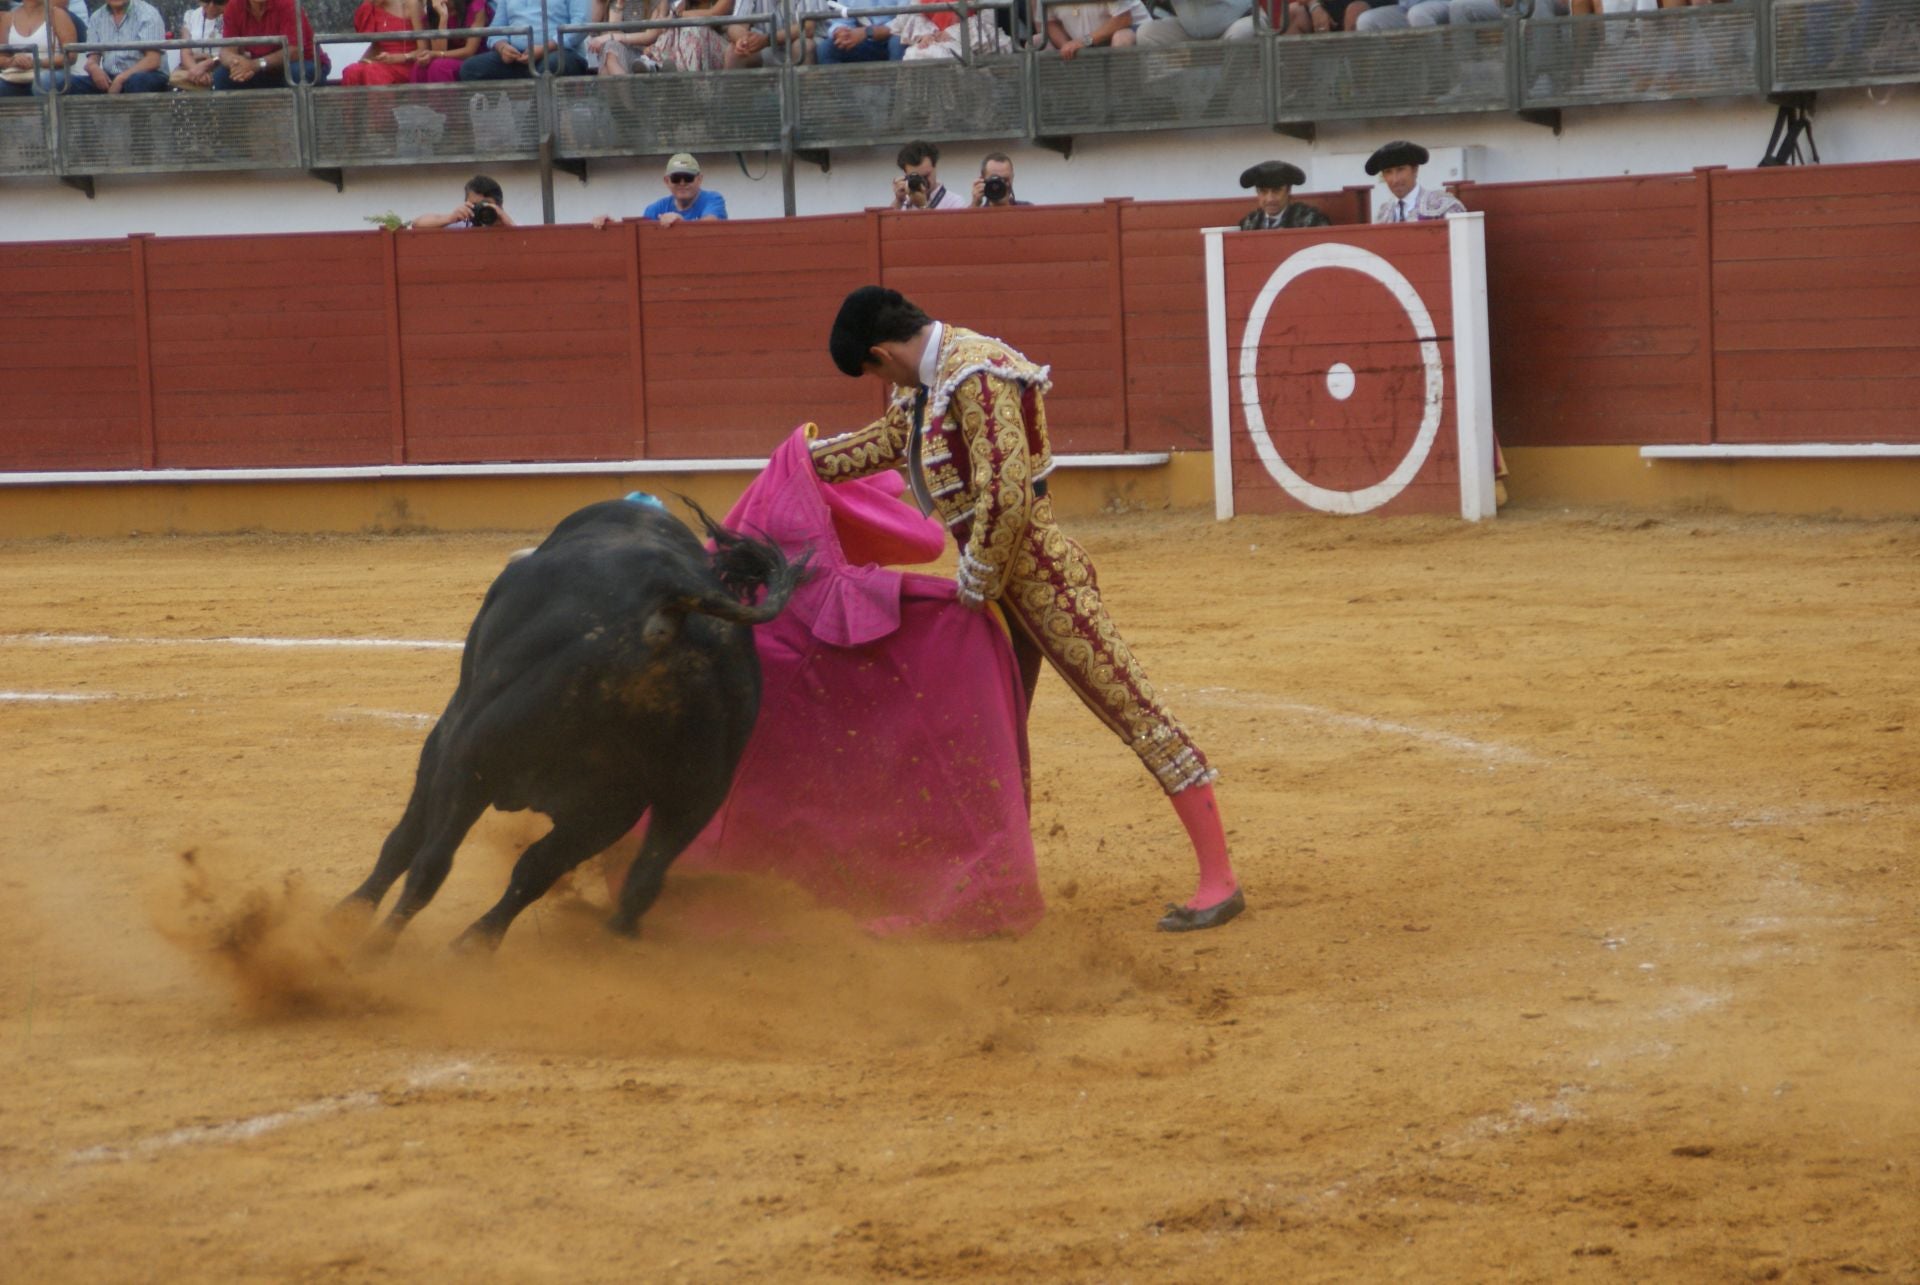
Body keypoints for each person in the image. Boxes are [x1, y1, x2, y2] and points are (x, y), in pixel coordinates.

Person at [809, 286, 1248, 932]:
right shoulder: (930, 384)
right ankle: (992, 883)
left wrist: (980, 573)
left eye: (874, 373)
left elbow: (1008, 492)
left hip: (1041, 581)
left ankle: (1220, 879)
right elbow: (884, 444)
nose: (883, 384)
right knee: (984, 734)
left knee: (1132, 707)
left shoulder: (975, 372)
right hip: (993, 591)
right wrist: (801, 464)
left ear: (880, 354)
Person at [459, 0, 592, 78]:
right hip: (518, 57)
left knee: (549, 66)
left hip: (560, 53)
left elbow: (581, 25)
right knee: (470, 69)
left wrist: (545, 48)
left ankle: (534, 117)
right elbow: (496, 28)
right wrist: (502, 47)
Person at [214, 0, 328, 86]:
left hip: (302, 63)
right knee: (221, 76)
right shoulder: (233, 6)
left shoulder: (287, 3)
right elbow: (226, 50)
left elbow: (295, 51)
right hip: (258, 69)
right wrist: (237, 63)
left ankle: (303, 112)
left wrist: (255, 64)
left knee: (298, 72)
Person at [66, 0, 168, 94]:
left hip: (148, 75)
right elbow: (92, 59)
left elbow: (153, 61)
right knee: (66, 84)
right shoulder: (96, 17)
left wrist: (121, 79)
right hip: (110, 78)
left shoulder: (148, 14)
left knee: (137, 81)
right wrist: (93, 68)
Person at [1366, 139, 1466, 222]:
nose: (1395, 179)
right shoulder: (1383, 213)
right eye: (1388, 172)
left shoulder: (1443, 204)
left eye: (1400, 169)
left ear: (1415, 170)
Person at [0, 0, 80, 96]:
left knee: (43, 81)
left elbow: (71, 56)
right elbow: (2, 56)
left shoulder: (57, 15)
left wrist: (37, 62)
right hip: (17, 73)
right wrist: (12, 61)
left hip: (52, 71)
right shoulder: (8, 18)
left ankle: (48, 106)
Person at [341, 0, 422, 86]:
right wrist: (363, 61)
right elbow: (376, 46)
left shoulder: (411, 4)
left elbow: (423, 50)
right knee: (352, 71)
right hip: (383, 64)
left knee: (373, 71)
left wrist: (401, 57)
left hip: (407, 64)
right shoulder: (374, 7)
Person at [1235, 159, 1330, 230]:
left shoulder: (1311, 221)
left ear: (1288, 191)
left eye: (1276, 191)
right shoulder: (1248, 224)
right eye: (1263, 191)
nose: (1270, 199)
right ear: (1257, 193)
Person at [412, 0, 489, 82]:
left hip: (475, 59)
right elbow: (439, 50)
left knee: (439, 66)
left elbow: (469, 51)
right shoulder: (435, 9)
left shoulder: (475, 4)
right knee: (420, 67)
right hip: (447, 57)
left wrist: (435, 54)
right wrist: (443, 17)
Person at [723, 0, 811, 67]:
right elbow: (736, 25)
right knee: (734, 52)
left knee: (804, 46)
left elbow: (808, 28)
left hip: (796, 44)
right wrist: (744, 40)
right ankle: (732, 87)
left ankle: (807, 86)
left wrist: (767, 40)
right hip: (765, 48)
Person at [409, 175, 516, 228]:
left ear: (499, 206)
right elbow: (415, 224)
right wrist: (450, 218)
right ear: (466, 204)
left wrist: (507, 224)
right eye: (475, 205)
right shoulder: (462, 225)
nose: (481, 211)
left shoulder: (511, 226)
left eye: (486, 205)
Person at [890, 139, 969, 211]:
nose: (921, 181)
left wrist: (923, 206)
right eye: (915, 177)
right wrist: (899, 200)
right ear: (905, 174)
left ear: (935, 167)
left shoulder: (954, 202)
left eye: (925, 176)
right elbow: (888, 221)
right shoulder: (904, 200)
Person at [1045, 0, 1146, 54]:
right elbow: (1050, 22)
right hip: (1086, 42)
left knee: (1122, 37)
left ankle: (1118, 85)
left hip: (1134, 31)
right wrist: (1066, 46)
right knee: (1038, 40)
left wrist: (1084, 41)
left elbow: (1123, 19)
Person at [1134, 0, 1255, 45]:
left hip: (1235, 21)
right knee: (1146, 33)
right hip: (1190, 29)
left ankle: (1225, 90)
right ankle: (1172, 91)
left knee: (1240, 34)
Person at [814, 3, 900, 63]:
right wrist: (840, 31)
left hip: (892, 36)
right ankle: (836, 85)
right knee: (827, 48)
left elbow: (904, 22)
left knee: (897, 42)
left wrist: (867, 32)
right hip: (862, 40)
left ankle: (900, 83)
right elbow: (842, 18)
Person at [170, 0, 228, 90]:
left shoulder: (234, 16)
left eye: (219, 1)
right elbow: (185, 52)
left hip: (221, 66)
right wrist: (196, 70)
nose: (211, 6)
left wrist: (210, 62)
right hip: (192, 68)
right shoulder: (191, 16)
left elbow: (234, 51)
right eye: (206, 0)